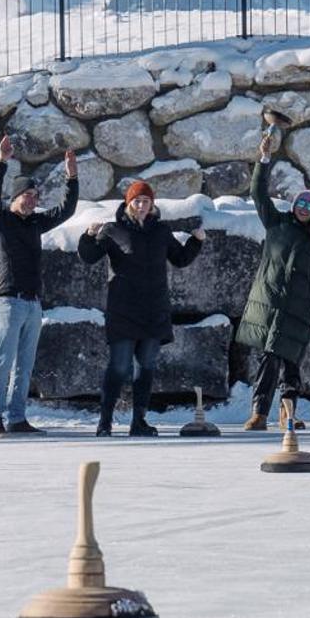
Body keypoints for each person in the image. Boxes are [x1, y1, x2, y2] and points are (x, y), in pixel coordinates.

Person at [78, 180, 205, 436]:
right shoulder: (113, 230)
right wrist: (88, 236)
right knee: (120, 367)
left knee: (146, 366)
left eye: (146, 201)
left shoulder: (161, 231)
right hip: (123, 310)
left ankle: (139, 422)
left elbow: (179, 259)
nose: (142, 205)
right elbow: (89, 256)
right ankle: (105, 422)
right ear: (128, 203)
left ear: (152, 204)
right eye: (137, 201)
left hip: (154, 310)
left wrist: (196, 242)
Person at [0, 137, 80, 436]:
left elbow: (66, 210)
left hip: (32, 302)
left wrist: (72, 178)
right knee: (3, 360)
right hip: (6, 301)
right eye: (27, 194)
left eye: (36, 195)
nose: (33, 200)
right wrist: (1, 162)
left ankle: (17, 417)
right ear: (15, 197)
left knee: (25, 365)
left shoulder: (35, 223)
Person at [235, 131, 310, 431]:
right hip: (272, 305)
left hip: (299, 312)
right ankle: (259, 414)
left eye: (309, 207)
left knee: (291, 363)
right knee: (270, 358)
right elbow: (258, 193)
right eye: (301, 205)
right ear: (294, 207)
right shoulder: (276, 223)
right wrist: (264, 159)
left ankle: (286, 413)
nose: (304, 209)